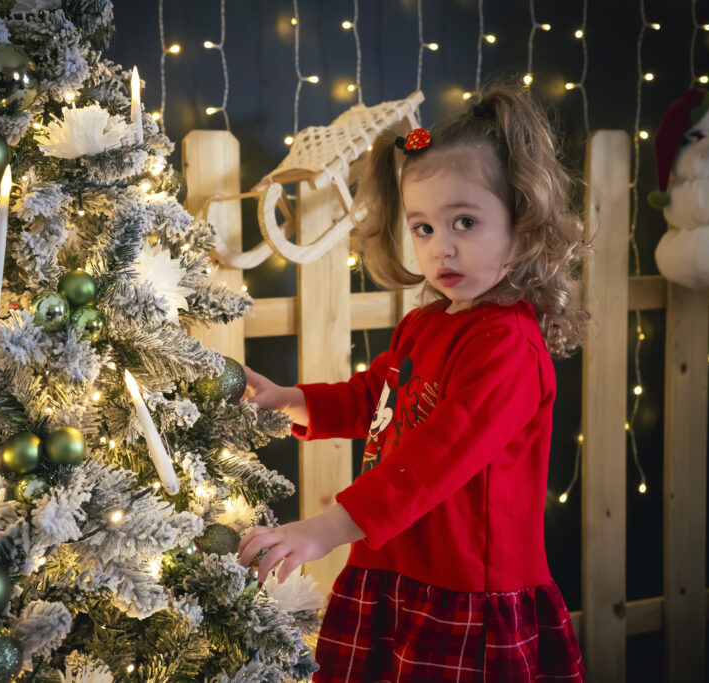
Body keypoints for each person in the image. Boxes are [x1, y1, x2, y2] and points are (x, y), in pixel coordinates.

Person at [237, 83, 590, 682]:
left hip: (463, 592)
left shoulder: (508, 347)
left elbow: (433, 461)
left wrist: (323, 530)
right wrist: (289, 400)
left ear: (523, 227)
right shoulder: (425, 324)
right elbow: (372, 399)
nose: (440, 247)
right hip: (391, 566)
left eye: (464, 222)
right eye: (423, 227)